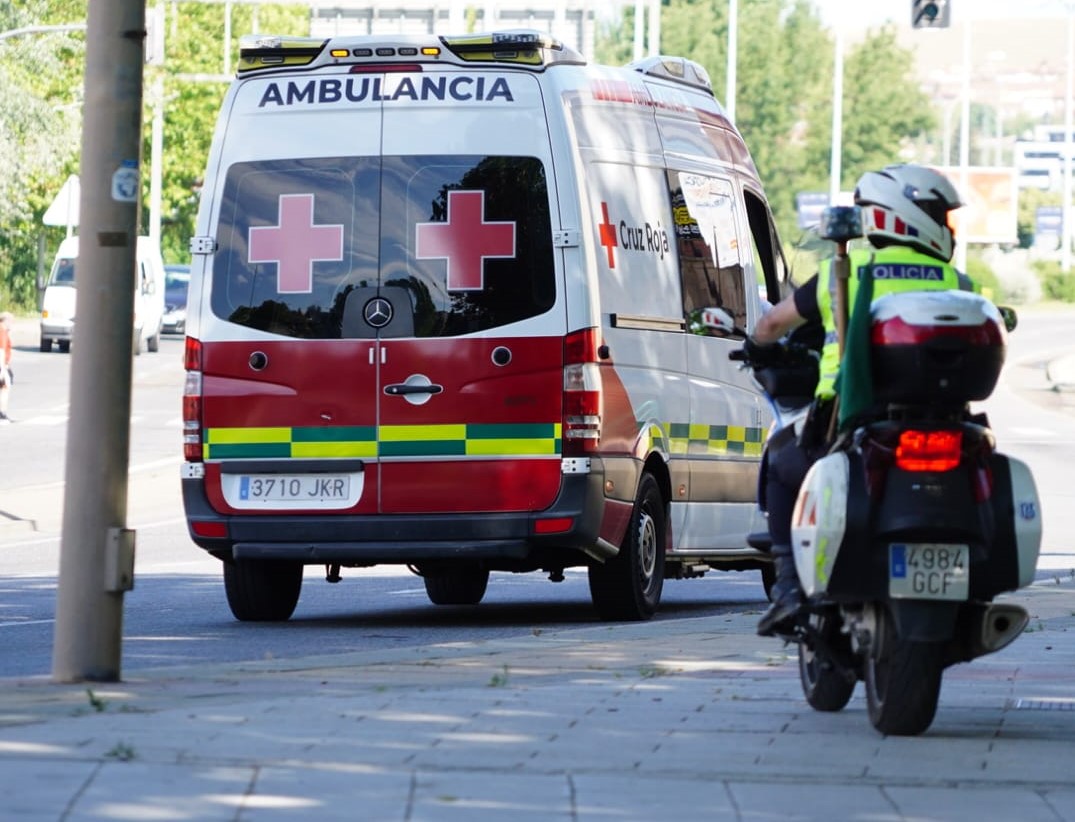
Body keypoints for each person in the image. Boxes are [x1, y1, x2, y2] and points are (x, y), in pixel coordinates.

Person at [744, 164, 966, 637]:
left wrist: (756, 347)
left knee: (782, 459)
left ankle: (787, 589)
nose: (948, 227)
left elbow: (770, 326)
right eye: (942, 216)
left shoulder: (840, 272)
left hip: (851, 421)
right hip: (941, 420)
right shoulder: (958, 282)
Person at [0, 310, 13, 423]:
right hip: (2, 365)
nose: (11, 324)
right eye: (11, 321)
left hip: (3, 364)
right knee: (5, 387)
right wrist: (3, 369)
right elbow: (1, 351)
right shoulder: (2, 332)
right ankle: (2, 414)